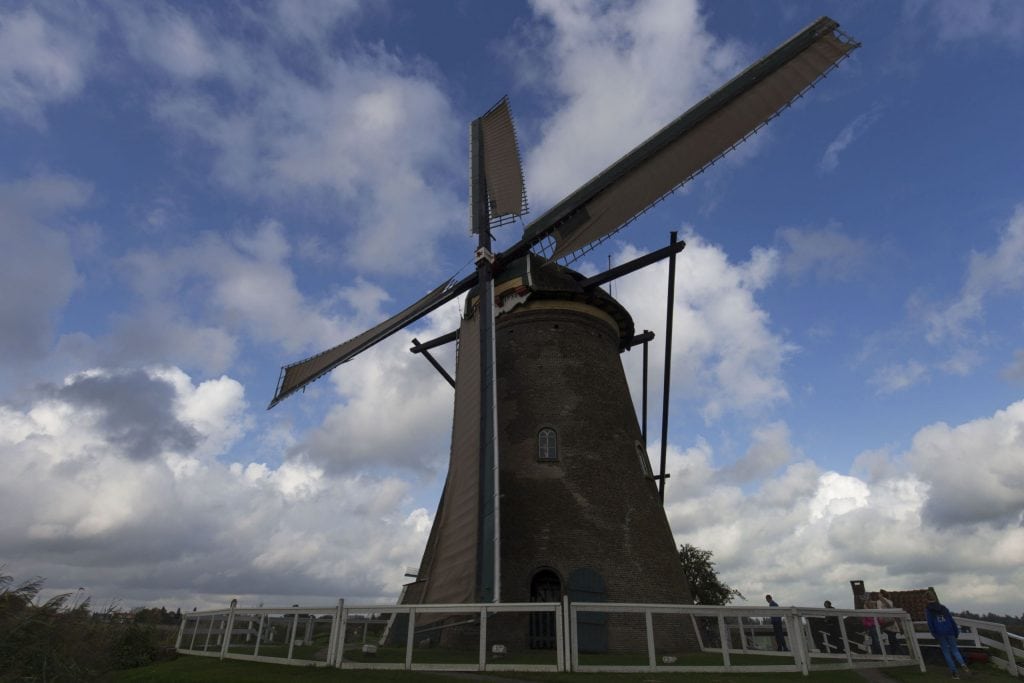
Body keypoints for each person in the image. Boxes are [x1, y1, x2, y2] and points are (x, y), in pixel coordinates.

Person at [926, 591, 971, 679]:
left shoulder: (929, 610)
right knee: (955, 650)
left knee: (946, 653)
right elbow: (951, 620)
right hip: (950, 631)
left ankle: (955, 673)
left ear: (927, 599)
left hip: (940, 633)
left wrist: (934, 634)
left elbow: (930, 624)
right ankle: (962, 664)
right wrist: (956, 632)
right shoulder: (943, 608)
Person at [877, 589, 904, 654]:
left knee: (892, 639)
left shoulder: (881, 601)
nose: (878, 595)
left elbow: (880, 610)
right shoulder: (889, 601)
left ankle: (901, 652)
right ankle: (894, 653)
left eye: (879, 594)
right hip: (890, 621)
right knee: (892, 638)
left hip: (887, 621)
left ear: (882, 594)